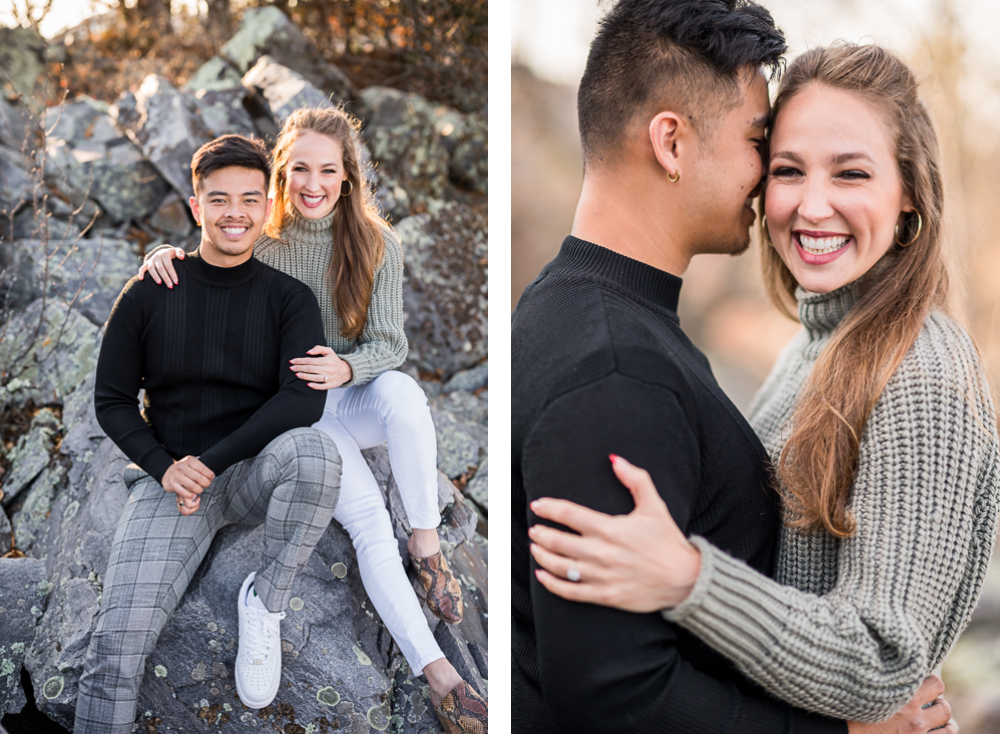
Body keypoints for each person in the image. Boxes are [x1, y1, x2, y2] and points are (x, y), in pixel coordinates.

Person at [529, 40, 1000, 733]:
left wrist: (691, 578)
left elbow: (882, 657)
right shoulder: (815, 347)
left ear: (908, 199)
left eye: (851, 174)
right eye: (787, 170)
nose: (812, 206)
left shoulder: (922, 377)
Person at [138, 107, 486, 733]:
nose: (313, 183)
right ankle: (443, 677)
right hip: (299, 420)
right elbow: (211, 253)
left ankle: (428, 545)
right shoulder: (263, 240)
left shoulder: (378, 242)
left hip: (352, 395)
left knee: (406, 395)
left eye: (328, 170)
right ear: (281, 172)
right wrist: (164, 253)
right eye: (300, 168)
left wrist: (347, 370)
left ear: (347, 176)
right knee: (367, 527)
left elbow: (390, 344)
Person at [77, 134, 344, 733]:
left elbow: (304, 399)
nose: (235, 214)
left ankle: (265, 602)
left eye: (250, 200)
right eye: (219, 200)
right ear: (196, 206)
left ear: (267, 206)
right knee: (113, 651)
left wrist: (213, 462)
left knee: (316, 454)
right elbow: (112, 399)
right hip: (172, 484)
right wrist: (166, 466)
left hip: (250, 473)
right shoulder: (152, 290)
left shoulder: (288, 299)